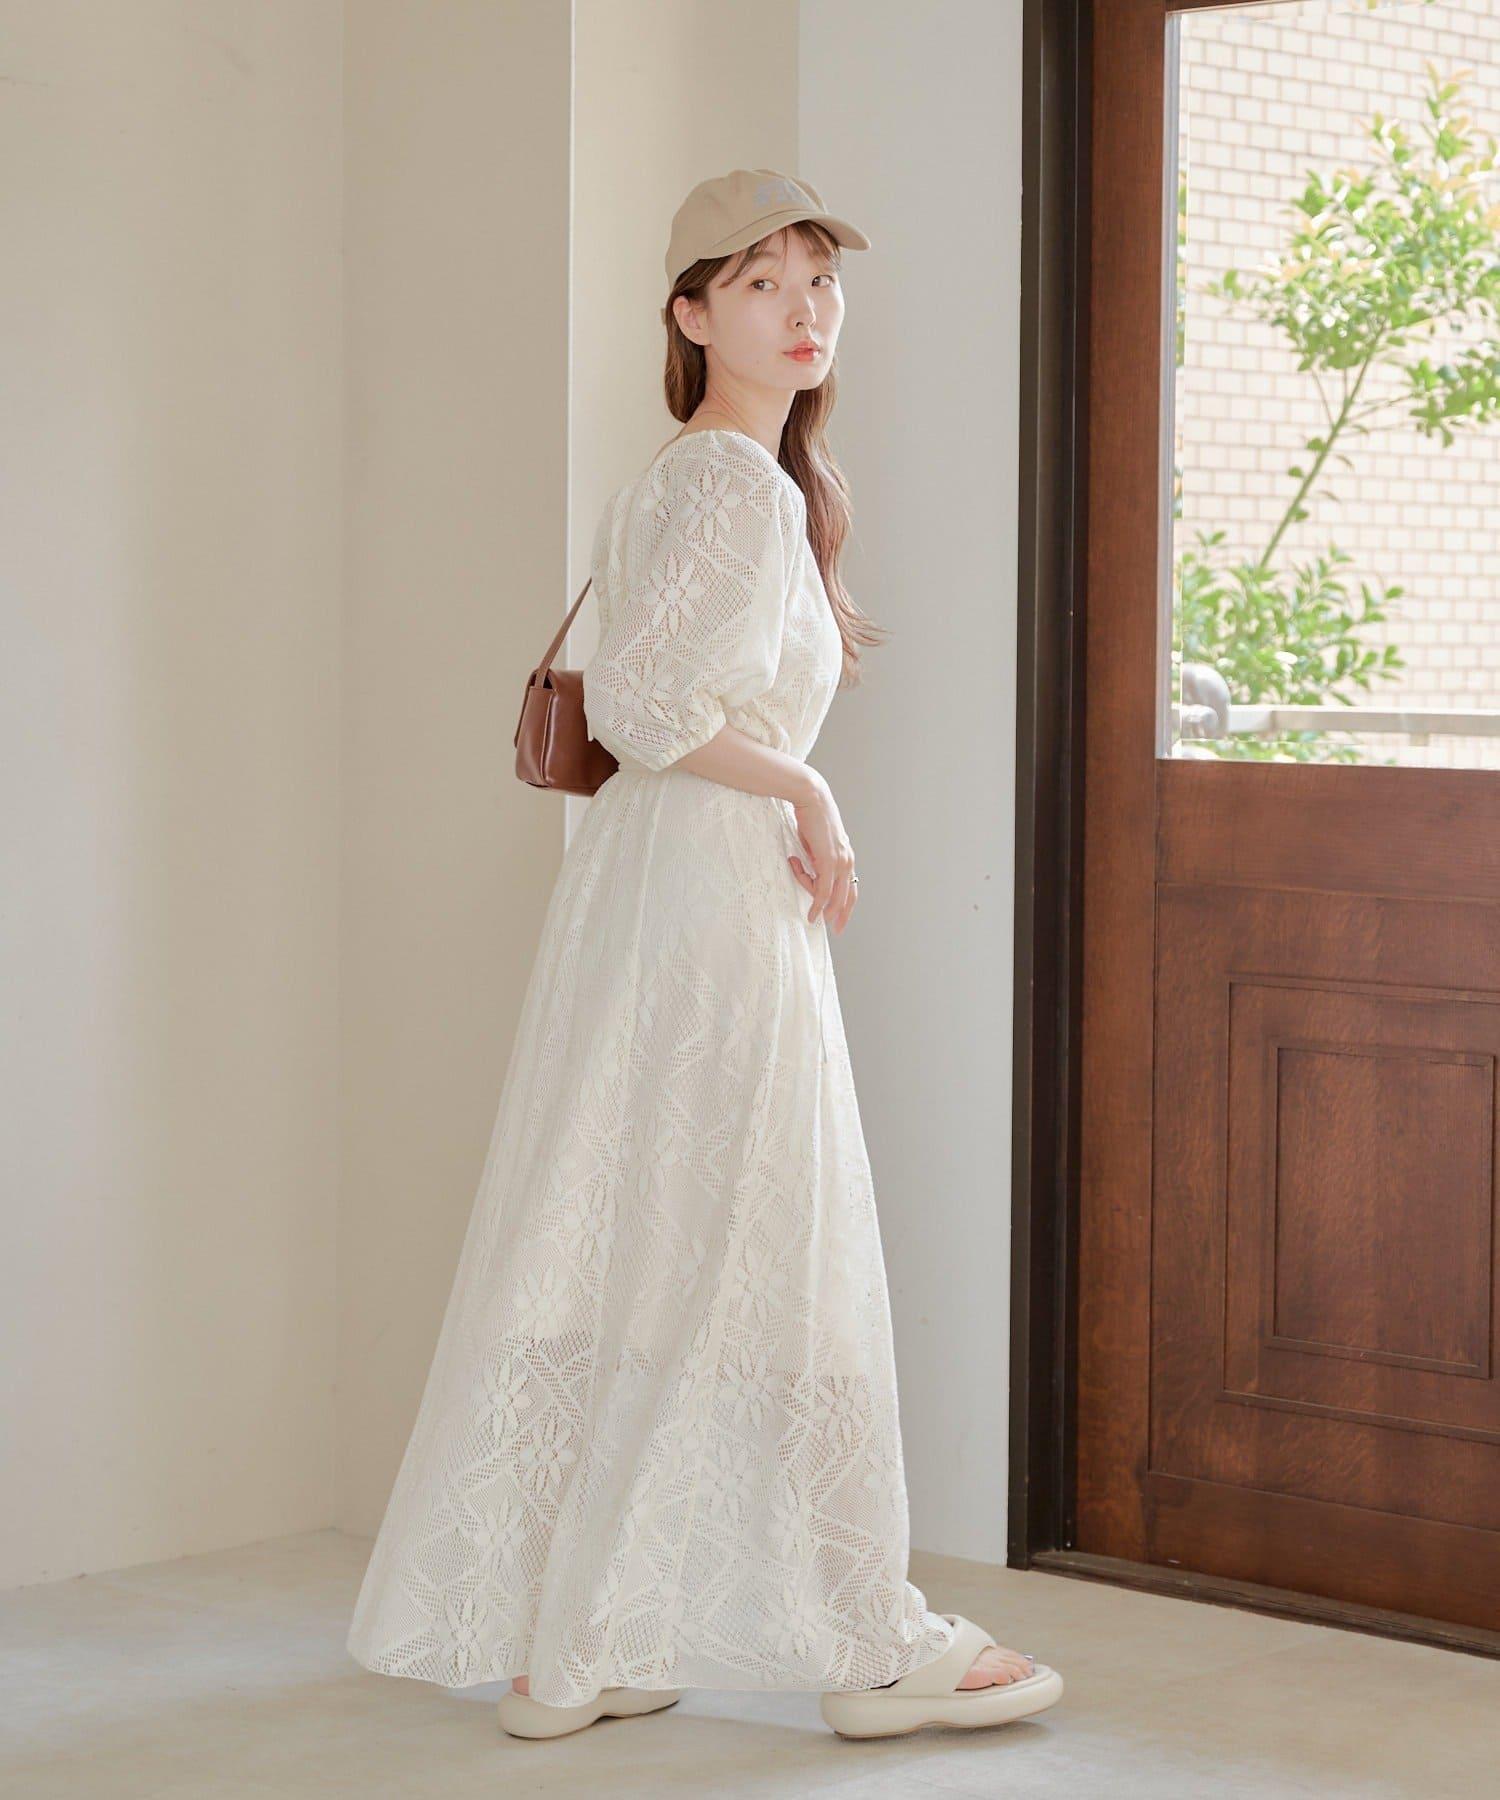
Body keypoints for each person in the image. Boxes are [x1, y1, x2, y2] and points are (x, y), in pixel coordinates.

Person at [345, 167, 1063, 1743]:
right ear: (689, 314)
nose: (806, 311)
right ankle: (865, 1644)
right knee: (777, 1249)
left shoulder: (698, 477)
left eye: (820, 280)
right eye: (760, 284)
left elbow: (646, 696)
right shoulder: (737, 485)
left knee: (661, 1244)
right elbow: (643, 703)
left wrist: (787, 791)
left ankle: (591, 1642)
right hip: (713, 894)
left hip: (656, 892)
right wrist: (809, 788)